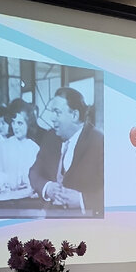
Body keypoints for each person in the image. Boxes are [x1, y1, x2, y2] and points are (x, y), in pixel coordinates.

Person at [30, 87, 104, 215]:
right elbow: (34, 172)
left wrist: (82, 200)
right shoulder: (50, 137)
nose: (52, 118)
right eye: (52, 112)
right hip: (51, 219)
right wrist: (47, 187)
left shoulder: (98, 141)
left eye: (57, 112)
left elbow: (113, 190)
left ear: (74, 115)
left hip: (84, 222)